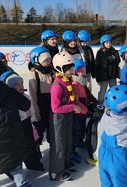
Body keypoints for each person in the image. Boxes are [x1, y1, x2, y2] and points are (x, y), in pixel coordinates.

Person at [98, 85, 127, 187]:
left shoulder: (106, 115)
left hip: (102, 153)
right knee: (120, 182)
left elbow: (100, 132)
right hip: (117, 158)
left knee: (105, 181)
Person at [0, 71, 45, 171]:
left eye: (21, 83)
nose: (20, 86)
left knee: (30, 144)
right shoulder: (7, 101)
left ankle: (32, 162)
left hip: (27, 124)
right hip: (15, 127)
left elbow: (32, 111)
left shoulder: (26, 97)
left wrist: (34, 122)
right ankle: (14, 169)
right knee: (18, 148)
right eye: (16, 85)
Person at [48, 51, 82, 181]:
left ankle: (65, 163)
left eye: (72, 67)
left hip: (67, 115)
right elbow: (55, 108)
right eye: (69, 68)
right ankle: (56, 172)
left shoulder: (67, 81)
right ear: (60, 69)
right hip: (58, 118)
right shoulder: (57, 85)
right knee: (59, 145)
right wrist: (73, 107)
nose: (72, 70)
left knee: (68, 140)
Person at [71, 58, 99, 163]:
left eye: (84, 70)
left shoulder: (82, 82)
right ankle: (72, 151)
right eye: (81, 71)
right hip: (78, 112)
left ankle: (79, 142)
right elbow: (76, 101)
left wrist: (96, 101)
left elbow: (88, 94)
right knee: (76, 130)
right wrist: (85, 111)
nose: (83, 72)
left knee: (82, 128)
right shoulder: (74, 84)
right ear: (75, 72)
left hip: (84, 111)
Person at [28, 47, 54, 146]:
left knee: (52, 129)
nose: (48, 62)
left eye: (49, 59)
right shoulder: (34, 76)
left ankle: (53, 144)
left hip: (52, 106)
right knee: (39, 131)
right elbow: (33, 97)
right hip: (40, 107)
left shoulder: (52, 73)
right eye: (45, 60)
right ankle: (36, 148)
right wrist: (36, 113)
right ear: (37, 61)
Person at [94, 34, 120, 103]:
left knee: (114, 89)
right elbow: (97, 66)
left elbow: (118, 63)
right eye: (106, 43)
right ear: (103, 44)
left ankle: (115, 102)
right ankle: (100, 102)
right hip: (104, 76)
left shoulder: (114, 51)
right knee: (103, 90)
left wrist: (118, 74)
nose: (108, 44)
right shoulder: (100, 53)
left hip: (112, 75)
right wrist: (98, 78)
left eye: (109, 43)